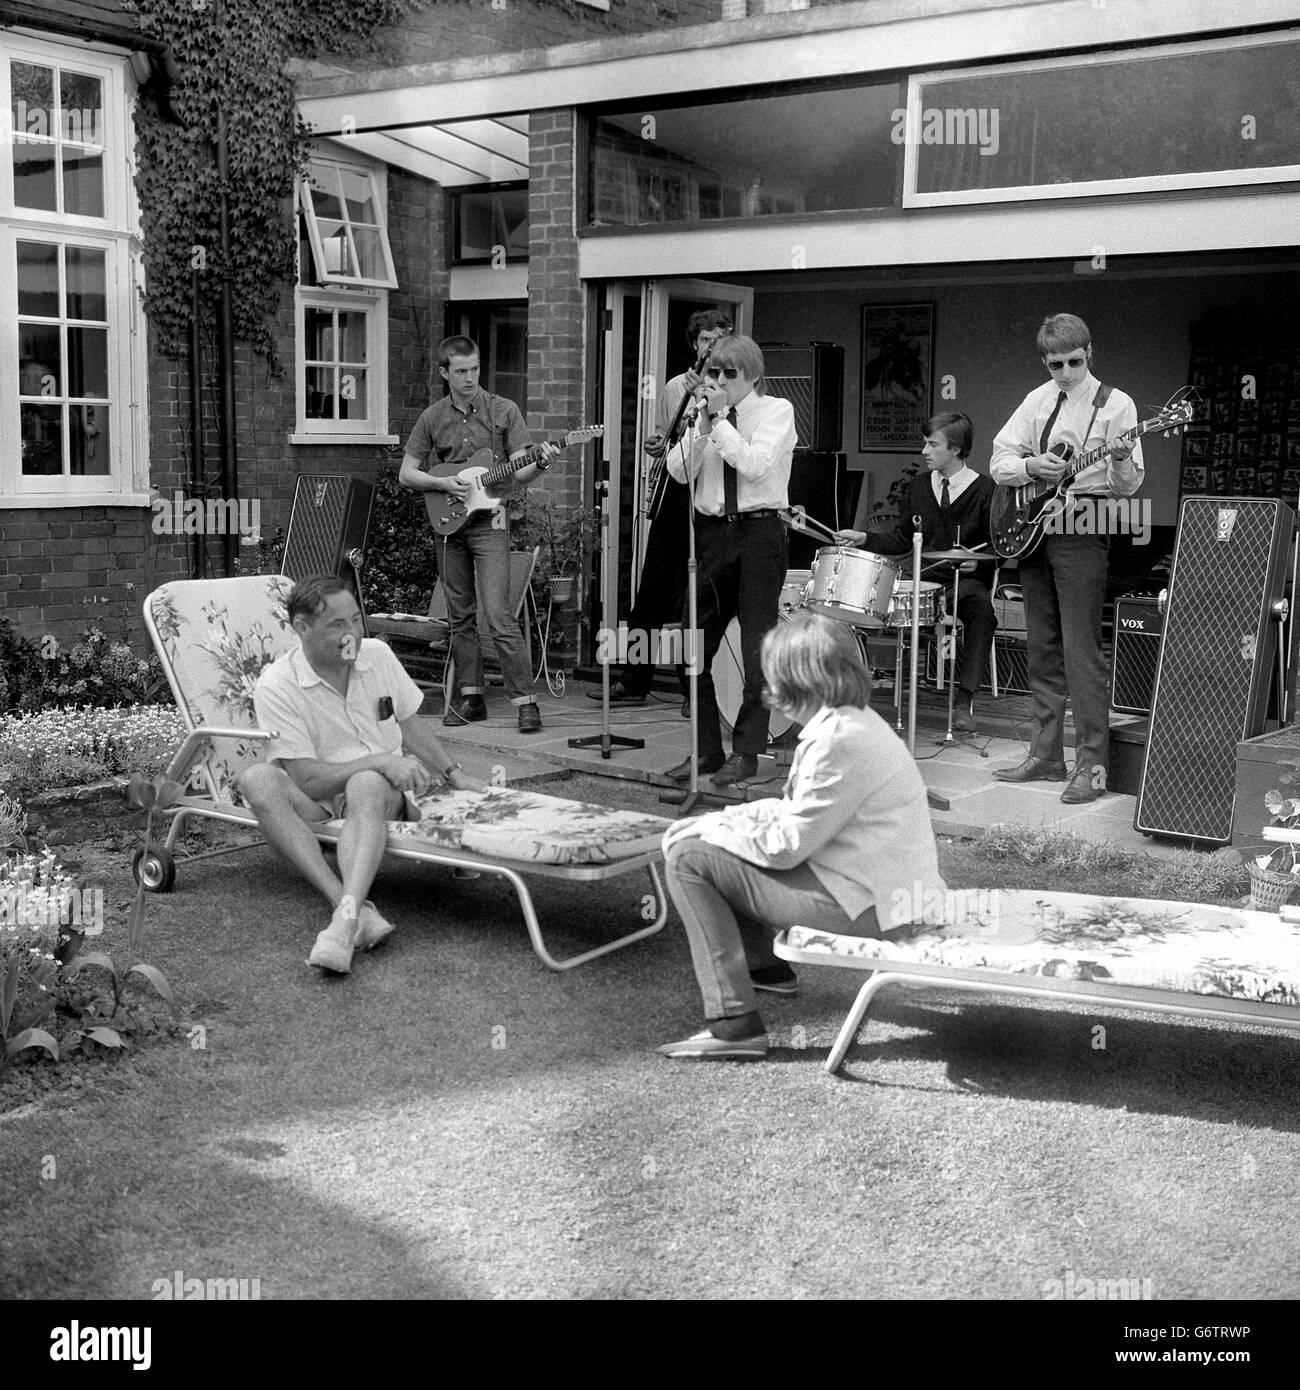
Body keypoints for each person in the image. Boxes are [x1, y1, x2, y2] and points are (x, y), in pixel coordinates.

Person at [656, 611, 946, 1060]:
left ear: (802, 681)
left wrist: (707, 827)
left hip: (877, 908)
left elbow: (787, 846)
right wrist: (726, 823)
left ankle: (734, 1025)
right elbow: (797, 816)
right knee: (714, 845)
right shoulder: (852, 721)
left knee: (689, 860)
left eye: (777, 681)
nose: (770, 695)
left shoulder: (838, 739)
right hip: (882, 893)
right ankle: (765, 968)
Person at [239, 575, 486, 975]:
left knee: (366, 782)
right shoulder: (276, 686)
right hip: (321, 799)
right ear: (302, 628)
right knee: (256, 778)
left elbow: (408, 722)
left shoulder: (378, 656)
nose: (352, 632)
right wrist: (379, 760)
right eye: (338, 625)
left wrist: (453, 773)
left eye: (356, 619)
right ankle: (348, 908)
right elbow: (307, 782)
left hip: (382, 795)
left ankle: (341, 926)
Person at [989, 313, 1143, 804]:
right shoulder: (1037, 399)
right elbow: (998, 462)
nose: (1066, 373)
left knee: (1082, 650)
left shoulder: (1117, 405)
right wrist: (1031, 464)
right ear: (1045, 361)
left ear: (1089, 352)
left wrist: (1119, 457)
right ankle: (1046, 754)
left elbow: (1129, 485)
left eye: (1074, 362)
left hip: (1084, 523)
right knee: (1042, 645)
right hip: (1034, 527)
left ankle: (1092, 766)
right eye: (1056, 364)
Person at [398, 335, 553, 734]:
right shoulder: (433, 417)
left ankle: (526, 702)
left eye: (475, 369)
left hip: (491, 522)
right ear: (445, 373)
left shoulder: (504, 411)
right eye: (461, 371)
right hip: (448, 522)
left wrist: (541, 464)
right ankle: (472, 697)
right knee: (460, 616)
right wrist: (443, 486)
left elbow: (519, 471)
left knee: (499, 614)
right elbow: (407, 472)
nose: (470, 378)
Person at [663, 333, 796, 787]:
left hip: (759, 533)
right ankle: (705, 751)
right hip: (712, 533)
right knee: (687, 641)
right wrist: (701, 427)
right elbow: (678, 471)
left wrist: (719, 420)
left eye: (728, 374)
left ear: (753, 377)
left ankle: (747, 749)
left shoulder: (776, 412)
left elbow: (754, 464)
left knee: (756, 647)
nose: (717, 380)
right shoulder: (708, 418)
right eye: (713, 372)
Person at [591, 308, 733, 714]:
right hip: (677, 487)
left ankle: (698, 695)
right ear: (694, 344)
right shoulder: (675, 386)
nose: (711, 346)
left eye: (719, 339)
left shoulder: (730, 385)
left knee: (700, 595)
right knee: (654, 585)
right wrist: (658, 442)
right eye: (705, 340)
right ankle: (634, 679)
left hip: (713, 492)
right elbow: (668, 435)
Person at [835, 411, 996, 733]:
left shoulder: (985, 489)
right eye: (925, 443)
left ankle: (964, 700)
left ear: (955, 449)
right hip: (920, 579)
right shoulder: (920, 486)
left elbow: (998, 546)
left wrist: (979, 563)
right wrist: (866, 539)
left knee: (982, 611)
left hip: (962, 582)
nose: (924, 451)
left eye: (932, 444)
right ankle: (854, 689)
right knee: (861, 602)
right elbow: (901, 538)